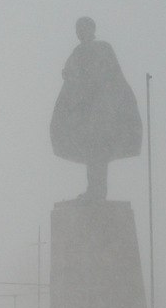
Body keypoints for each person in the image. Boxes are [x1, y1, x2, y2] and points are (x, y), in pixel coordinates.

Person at [50, 17, 142, 200]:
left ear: (91, 29)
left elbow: (111, 75)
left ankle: (97, 192)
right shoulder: (77, 52)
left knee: (97, 152)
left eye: (83, 28)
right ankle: (95, 190)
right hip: (83, 112)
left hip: (100, 112)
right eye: (78, 29)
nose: (80, 33)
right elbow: (70, 74)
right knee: (92, 152)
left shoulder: (102, 48)